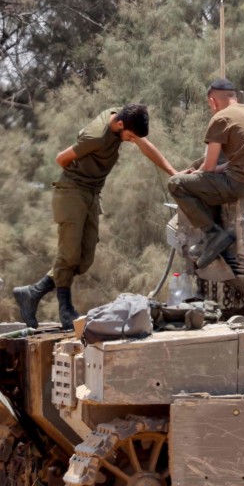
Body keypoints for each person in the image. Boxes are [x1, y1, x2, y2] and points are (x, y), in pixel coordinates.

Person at [13, 104, 177, 330]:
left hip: (90, 194)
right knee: (68, 254)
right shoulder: (95, 137)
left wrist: (174, 173)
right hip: (71, 192)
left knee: (84, 258)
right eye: (129, 136)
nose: (131, 141)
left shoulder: (122, 118)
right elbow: (61, 159)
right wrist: (81, 177)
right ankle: (65, 309)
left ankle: (32, 293)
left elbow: (145, 145)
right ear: (120, 125)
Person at [167, 78, 244, 269]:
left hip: (242, 182)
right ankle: (213, 236)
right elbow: (234, 160)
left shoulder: (220, 118)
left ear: (212, 101)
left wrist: (193, 176)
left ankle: (213, 234)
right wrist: (205, 174)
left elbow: (208, 168)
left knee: (176, 184)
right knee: (200, 183)